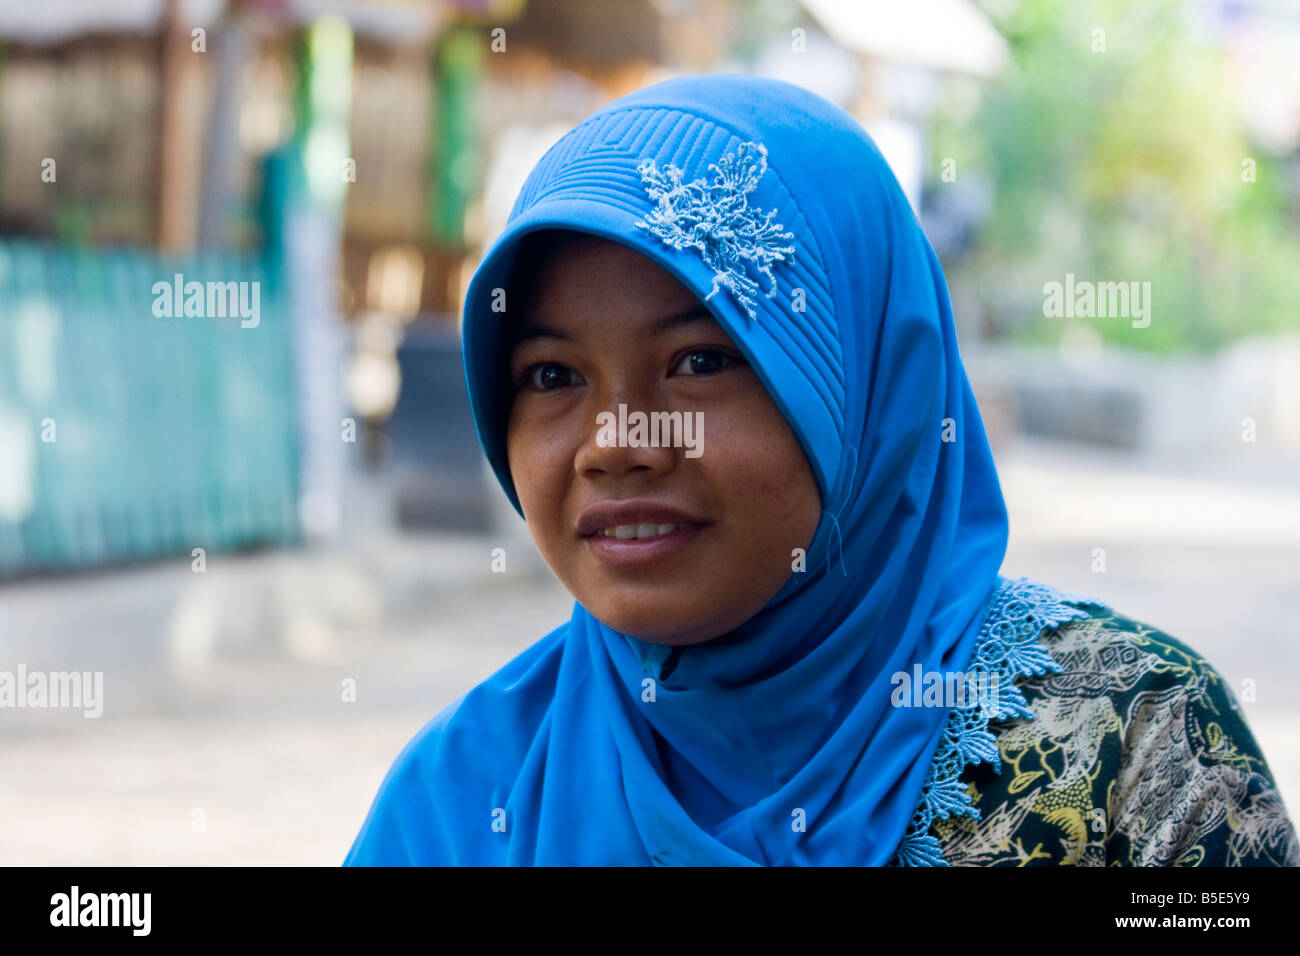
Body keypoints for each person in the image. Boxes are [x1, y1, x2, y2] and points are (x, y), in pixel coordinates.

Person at [344, 74, 1298, 866]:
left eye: (702, 361)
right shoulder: (464, 804)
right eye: (552, 376)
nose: (615, 442)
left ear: (867, 391)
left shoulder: (1131, 744)